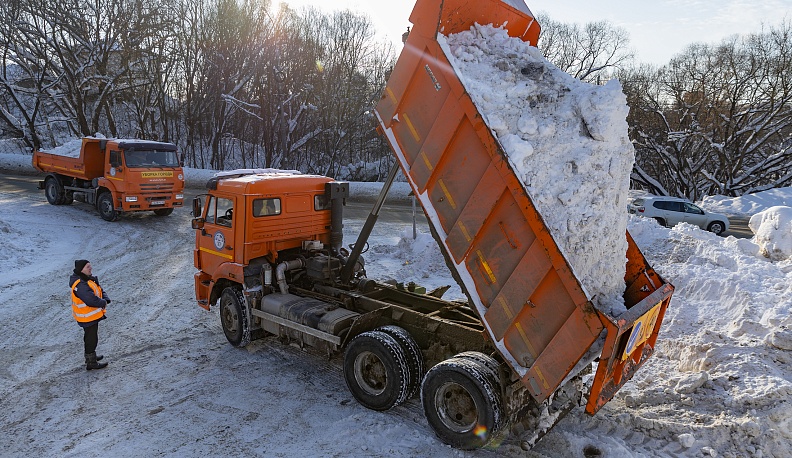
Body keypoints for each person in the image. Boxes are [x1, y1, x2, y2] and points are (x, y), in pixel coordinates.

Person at [70, 260, 110, 370]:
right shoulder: (80, 284)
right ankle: (91, 362)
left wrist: (105, 299)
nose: (90, 268)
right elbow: (90, 300)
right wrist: (103, 302)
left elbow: (99, 289)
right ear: (81, 269)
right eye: (88, 267)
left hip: (89, 316)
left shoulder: (87, 279)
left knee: (90, 337)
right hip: (87, 317)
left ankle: (91, 357)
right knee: (91, 339)